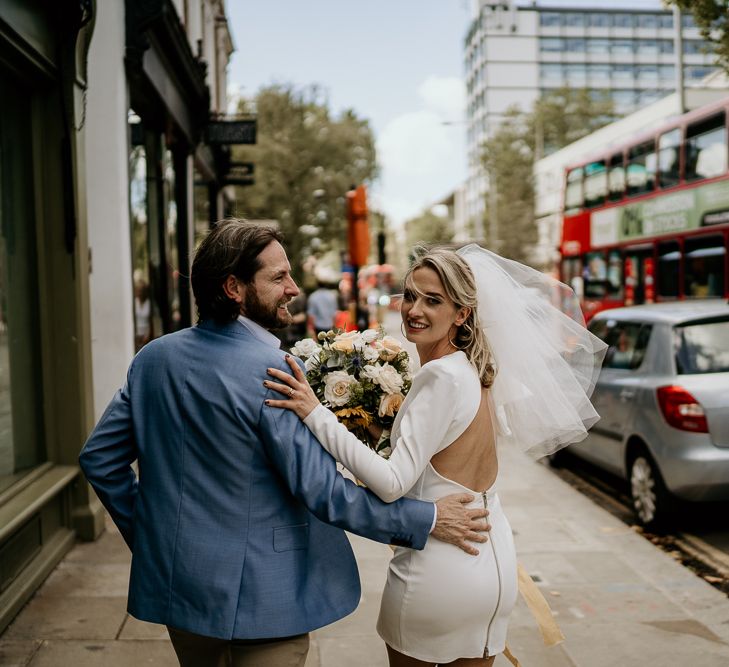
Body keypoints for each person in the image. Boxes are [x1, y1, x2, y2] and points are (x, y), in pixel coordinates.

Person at [78, 221, 490, 667]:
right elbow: (325, 493)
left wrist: (152, 537)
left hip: (181, 592)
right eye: (278, 278)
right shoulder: (274, 372)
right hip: (262, 598)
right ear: (234, 287)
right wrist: (425, 518)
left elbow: (99, 459)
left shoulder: (153, 358)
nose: (294, 288)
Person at [264, 245, 607, 666]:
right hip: (492, 566)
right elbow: (441, 446)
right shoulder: (475, 369)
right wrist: (373, 427)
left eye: (433, 300)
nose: (414, 309)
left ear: (462, 314)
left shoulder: (439, 377)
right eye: (410, 295)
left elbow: (393, 484)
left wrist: (314, 412)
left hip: (439, 575)